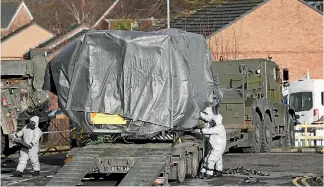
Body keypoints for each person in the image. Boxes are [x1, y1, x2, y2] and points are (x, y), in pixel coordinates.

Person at [197, 107, 226, 179]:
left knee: (210, 159)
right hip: (217, 147)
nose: (211, 123)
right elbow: (207, 118)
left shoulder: (218, 128)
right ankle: (218, 172)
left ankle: (209, 174)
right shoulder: (217, 122)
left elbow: (208, 131)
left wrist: (199, 131)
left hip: (218, 148)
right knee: (216, 159)